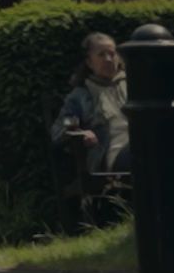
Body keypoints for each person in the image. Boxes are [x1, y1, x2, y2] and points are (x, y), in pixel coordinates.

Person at [51, 30, 132, 175]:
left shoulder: (134, 87)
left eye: (112, 54)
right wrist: (80, 134)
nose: (108, 59)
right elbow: (58, 130)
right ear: (89, 62)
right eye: (101, 55)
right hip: (112, 157)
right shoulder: (80, 96)